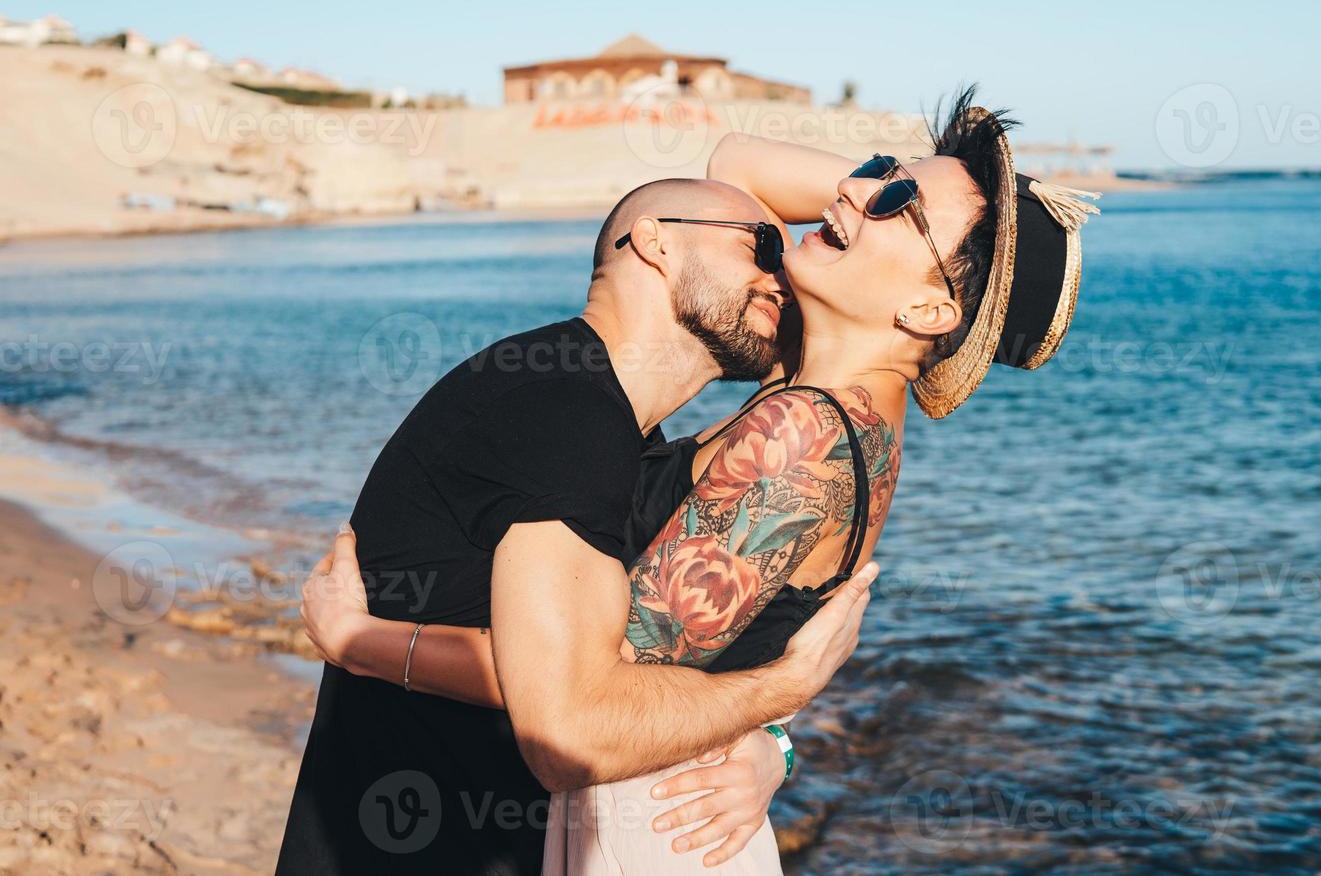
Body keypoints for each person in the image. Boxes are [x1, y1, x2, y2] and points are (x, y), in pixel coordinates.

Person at [299, 89, 1098, 872]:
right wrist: (874, 206)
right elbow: (735, 163)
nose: (854, 186)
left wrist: (365, 645)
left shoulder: (805, 433)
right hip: (652, 802)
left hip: (655, 825)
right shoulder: (814, 382)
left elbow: (588, 708)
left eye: (896, 198)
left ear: (928, 312)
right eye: (877, 167)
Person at [276, 176, 880, 876]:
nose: (781, 275)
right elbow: (570, 698)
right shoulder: (567, 416)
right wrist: (787, 686)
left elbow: (640, 651)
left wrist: (772, 743)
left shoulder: (604, 420)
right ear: (654, 242)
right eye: (762, 246)